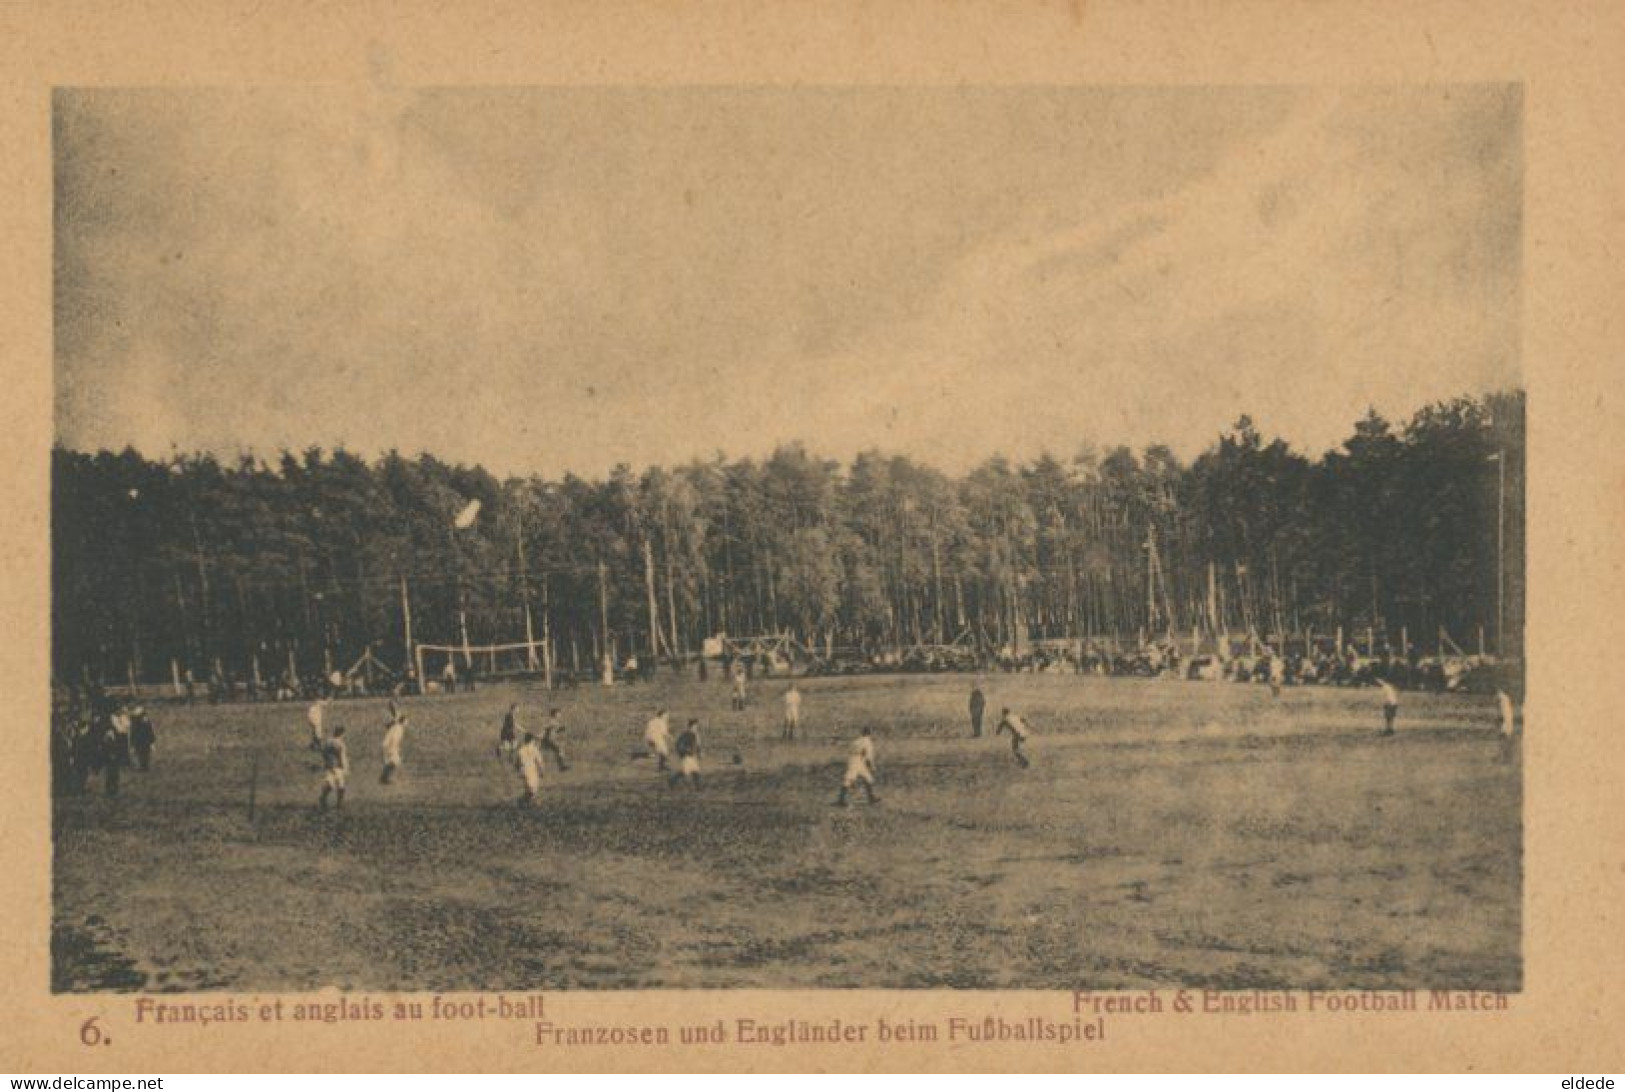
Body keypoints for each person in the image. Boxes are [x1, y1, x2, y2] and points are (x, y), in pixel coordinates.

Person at [836, 727, 878, 807]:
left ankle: (871, 798)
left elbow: (850, 750)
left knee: (867, 778)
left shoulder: (856, 740)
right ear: (870, 733)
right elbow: (868, 756)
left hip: (853, 760)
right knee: (850, 779)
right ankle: (841, 800)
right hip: (858, 761)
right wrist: (872, 767)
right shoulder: (868, 742)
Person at [318, 725, 349, 810]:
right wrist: (346, 768)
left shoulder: (328, 742)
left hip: (329, 767)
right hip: (337, 767)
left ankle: (323, 799)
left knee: (330, 784)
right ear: (342, 734)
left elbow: (324, 753)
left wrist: (327, 762)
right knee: (341, 785)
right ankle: (339, 803)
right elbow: (342, 757)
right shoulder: (340, 744)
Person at [670, 719, 702, 789]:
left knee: (694, 771)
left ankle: (698, 787)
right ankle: (672, 780)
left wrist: (698, 753)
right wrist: (685, 751)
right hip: (687, 756)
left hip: (691, 756)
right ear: (691, 726)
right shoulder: (686, 734)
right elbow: (679, 745)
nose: (696, 728)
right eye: (695, 726)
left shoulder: (695, 735)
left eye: (697, 726)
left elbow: (697, 746)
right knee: (688, 771)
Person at [515, 731, 544, 807]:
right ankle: (529, 802)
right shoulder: (534, 749)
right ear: (532, 740)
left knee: (530, 789)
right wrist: (541, 770)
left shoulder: (521, 750)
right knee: (532, 789)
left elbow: (517, 763)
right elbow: (539, 761)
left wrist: (518, 770)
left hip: (524, 771)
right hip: (532, 771)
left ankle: (523, 802)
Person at [380, 709, 407, 785]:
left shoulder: (398, 727)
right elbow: (385, 744)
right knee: (394, 762)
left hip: (392, 748)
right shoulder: (397, 727)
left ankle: (385, 777)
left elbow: (396, 712)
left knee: (394, 762)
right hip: (390, 749)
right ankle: (385, 778)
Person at [643, 707, 673, 772]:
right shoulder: (662, 722)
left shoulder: (652, 720)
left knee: (661, 752)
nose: (667, 717)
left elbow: (647, 730)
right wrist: (670, 737)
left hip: (649, 738)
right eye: (666, 715)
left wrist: (648, 740)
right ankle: (661, 767)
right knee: (665, 752)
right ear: (662, 715)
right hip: (657, 738)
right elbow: (664, 732)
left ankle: (661, 765)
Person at [541, 708, 570, 772]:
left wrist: (561, 729)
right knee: (559, 750)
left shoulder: (555, 721)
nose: (560, 715)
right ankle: (562, 766)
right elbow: (545, 727)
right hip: (549, 739)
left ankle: (561, 766)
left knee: (558, 751)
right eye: (558, 714)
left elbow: (554, 730)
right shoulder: (551, 721)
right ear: (555, 714)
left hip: (551, 739)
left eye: (560, 714)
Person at [129, 705, 155, 771]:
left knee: (145, 754)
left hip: (144, 741)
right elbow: (133, 734)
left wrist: (152, 742)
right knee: (140, 753)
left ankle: (144, 766)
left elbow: (150, 732)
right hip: (139, 741)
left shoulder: (146, 722)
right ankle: (142, 765)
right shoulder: (135, 723)